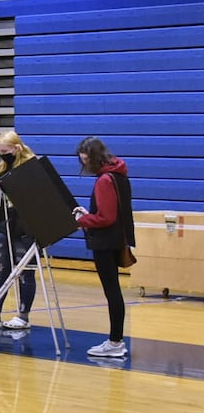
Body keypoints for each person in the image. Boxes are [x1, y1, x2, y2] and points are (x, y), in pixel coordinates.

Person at [73, 137, 135, 359]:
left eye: (86, 160)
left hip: (105, 242)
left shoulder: (104, 181)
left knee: (112, 292)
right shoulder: (119, 174)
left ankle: (115, 342)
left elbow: (106, 218)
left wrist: (83, 220)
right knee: (114, 291)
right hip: (116, 240)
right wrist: (88, 215)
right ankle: (115, 341)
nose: (85, 165)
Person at [0, 130, 37, 331]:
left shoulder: (32, 167)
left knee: (25, 273)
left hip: (25, 229)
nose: (3, 155)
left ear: (17, 148)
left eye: (6, 151)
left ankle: (23, 316)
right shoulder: (1, 169)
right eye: (0, 151)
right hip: (4, 226)